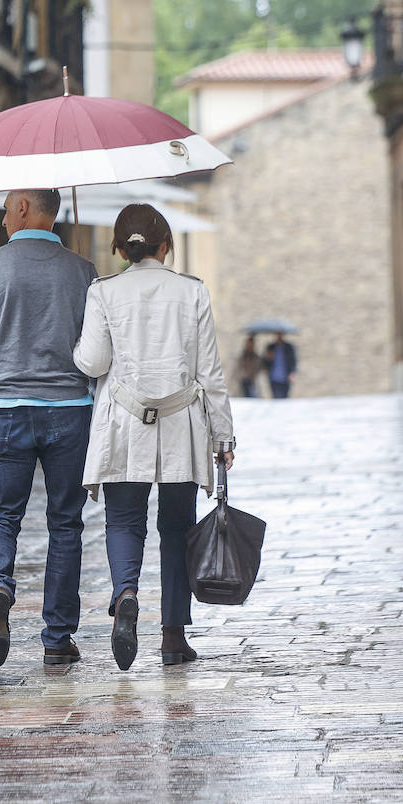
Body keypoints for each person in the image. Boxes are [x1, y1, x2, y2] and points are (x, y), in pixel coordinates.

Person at [73, 204, 234, 671]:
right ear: (166, 245)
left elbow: (94, 362)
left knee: (124, 521)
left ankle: (125, 595)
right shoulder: (192, 291)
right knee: (177, 528)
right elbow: (210, 372)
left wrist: (77, 347)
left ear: (120, 249)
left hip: (124, 422)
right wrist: (224, 437)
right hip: (181, 424)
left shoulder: (102, 292)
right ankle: (172, 635)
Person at [0, 188, 98, 668]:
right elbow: (99, 350)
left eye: (5, 207)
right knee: (66, 524)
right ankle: (57, 638)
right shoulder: (83, 272)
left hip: (6, 409)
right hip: (69, 410)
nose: (1, 218)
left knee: (0, 516)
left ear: (23, 209)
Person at [263, 333, 298, 398]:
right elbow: (265, 361)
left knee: (285, 397)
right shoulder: (271, 347)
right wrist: (268, 358)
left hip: (285, 376)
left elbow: (293, 360)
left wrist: (292, 373)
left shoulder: (288, 347)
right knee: (275, 396)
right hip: (274, 376)